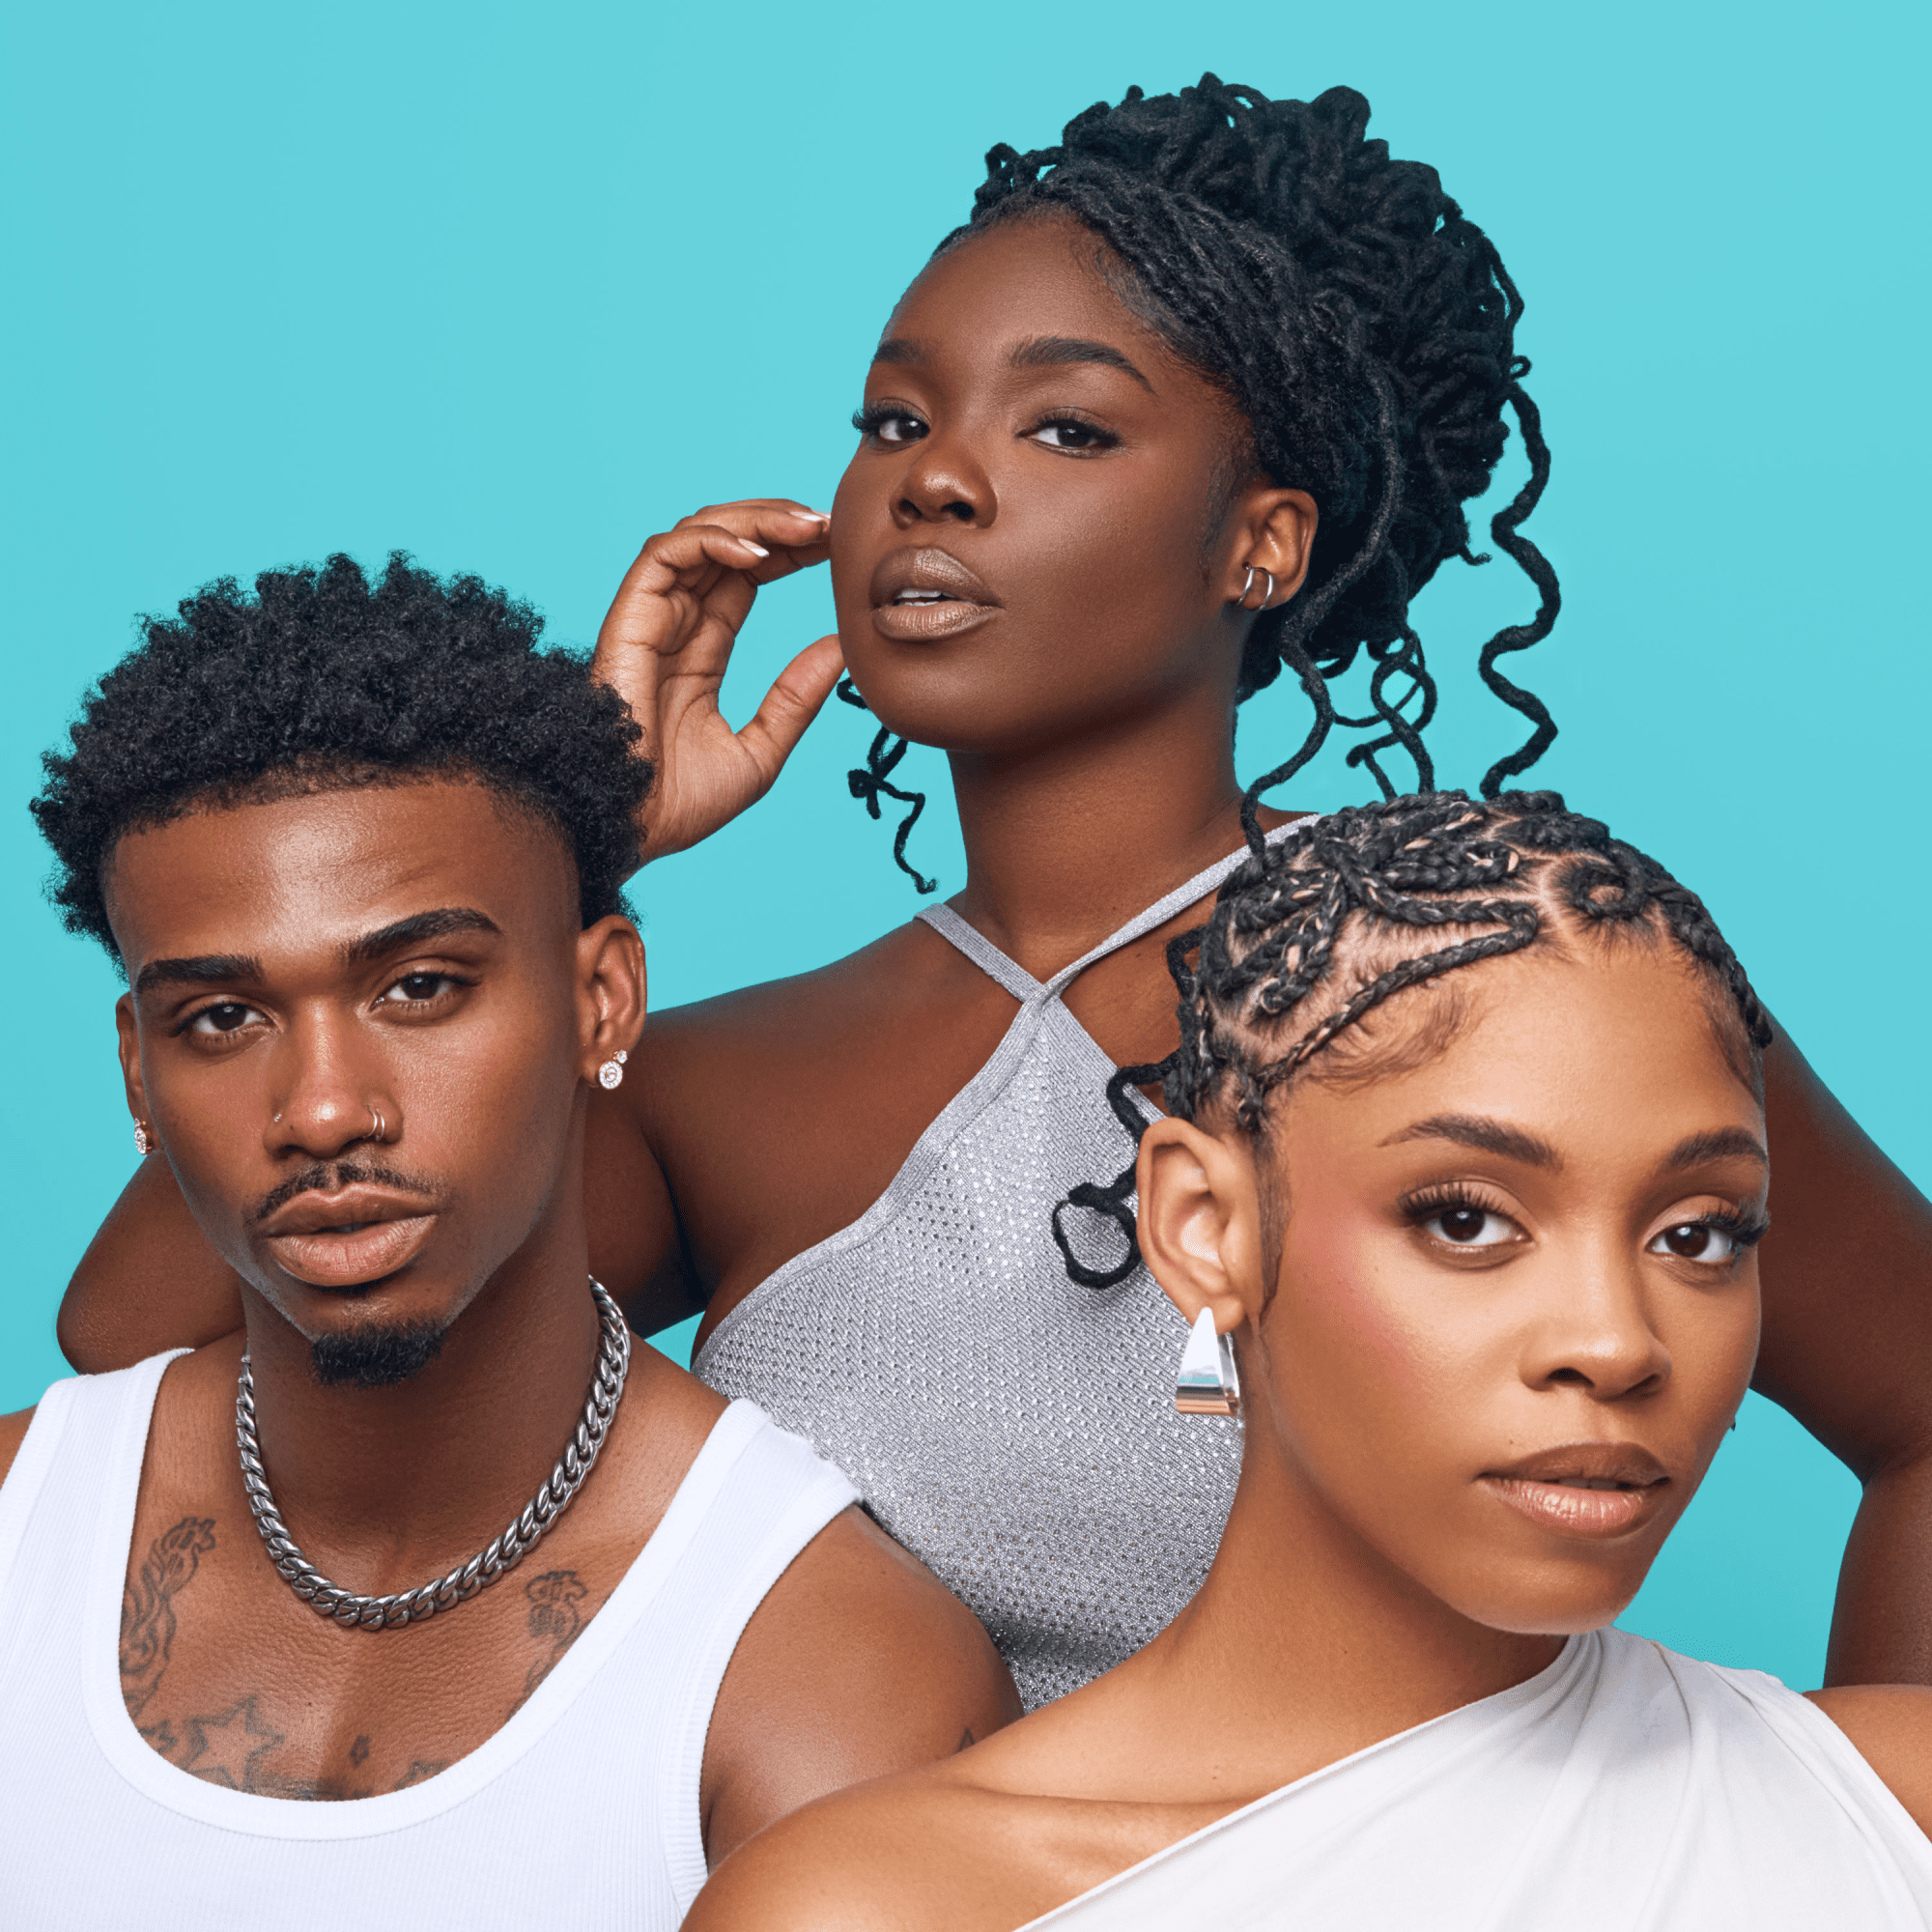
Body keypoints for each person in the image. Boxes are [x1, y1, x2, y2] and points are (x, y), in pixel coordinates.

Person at [57, 78, 1932, 1707]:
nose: (935, 485)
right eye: (893, 425)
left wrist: (1867, 1820)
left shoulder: (1506, 978)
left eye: (1063, 428)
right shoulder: (723, 1086)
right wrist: (560, 832)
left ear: (1263, 538)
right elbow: (152, 1343)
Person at [689, 793, 1932, 1932]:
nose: (1613, 1341)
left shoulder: (1896, 1803)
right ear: (1203, 1228)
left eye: (1697, 1233)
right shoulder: (881, 1909)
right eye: (1462, 1217)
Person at [0, 555, 1015, 1927]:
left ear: (604, 1002)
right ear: (137, 1074)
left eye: (421, 988)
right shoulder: (19, 1523)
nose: (322, 1111)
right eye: (222, 1020)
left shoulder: (824, 1671)